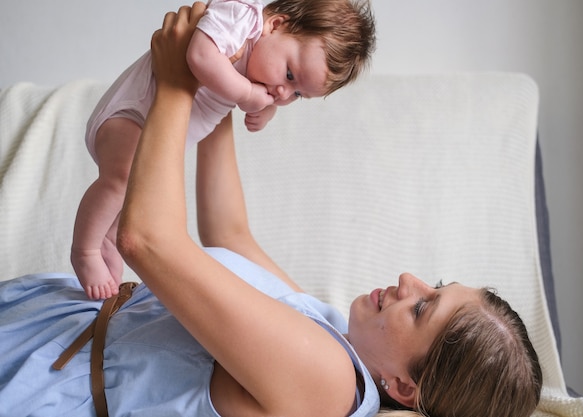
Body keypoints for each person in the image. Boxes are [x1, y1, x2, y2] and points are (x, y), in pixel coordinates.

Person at [0, 4, 542, 417]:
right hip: (53, 323)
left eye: (423, 309)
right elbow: (230, 234)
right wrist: (227, 84)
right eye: (435, 284)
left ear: (404, 387)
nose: (410, 280)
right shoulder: (325, 329)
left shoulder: (327, 381)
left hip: (44, 377)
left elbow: (147, 240)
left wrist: (176, 85)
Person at [71, 0, 376, 299]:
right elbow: (200, 55)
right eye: (289, 75)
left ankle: (108, 238)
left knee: (136, 194)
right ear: (274, 24)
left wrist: (266, 108)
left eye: (297, 94)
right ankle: (84, 250)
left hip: (151, 133)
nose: (282, 93)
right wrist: (245, 93)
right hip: (129, 114)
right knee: (122, 177)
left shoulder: (266, 73)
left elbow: (262, 89)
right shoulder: (240, 16)